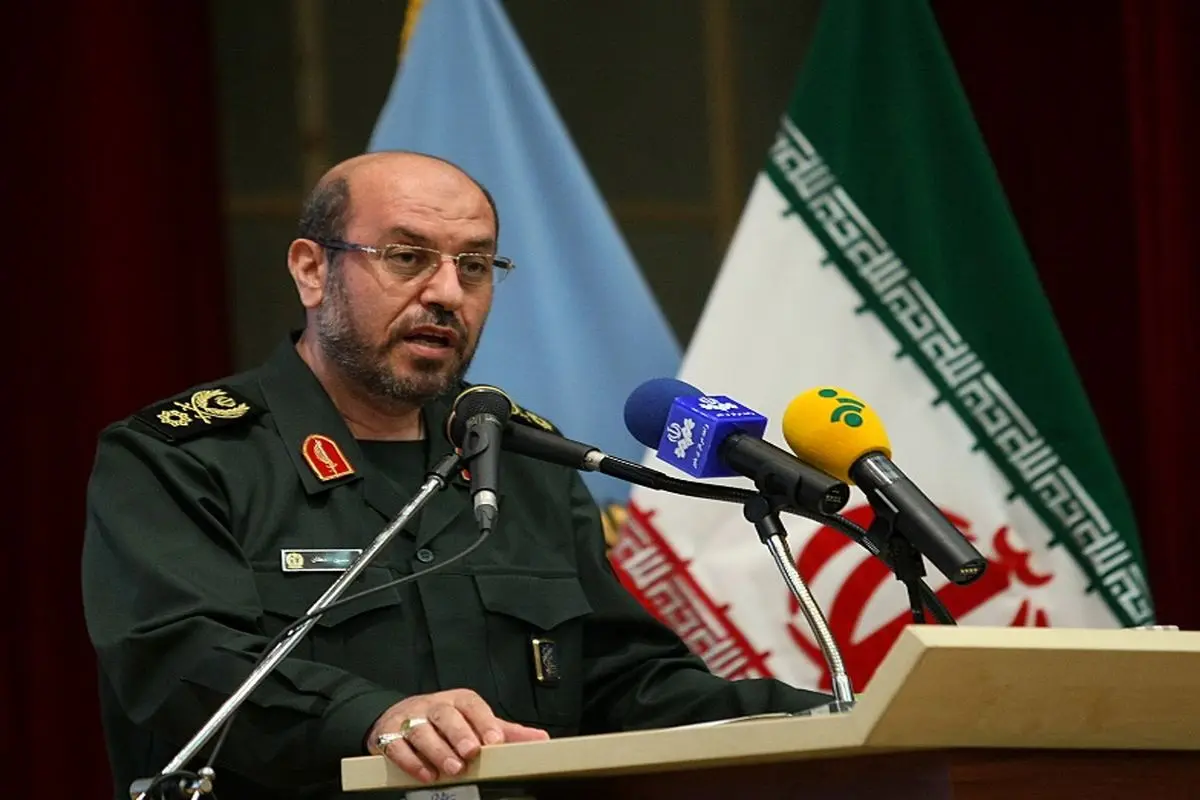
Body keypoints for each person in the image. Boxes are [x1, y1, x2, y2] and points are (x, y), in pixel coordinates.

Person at [81, 151, 831, 799]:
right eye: (407, 257)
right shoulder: (183, 457)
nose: (447, 293)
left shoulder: (521, 461)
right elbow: (181, 663)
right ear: (312, 270)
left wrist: (825, 720)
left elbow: (619, 681)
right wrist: (371, 719)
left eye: (474, 266)